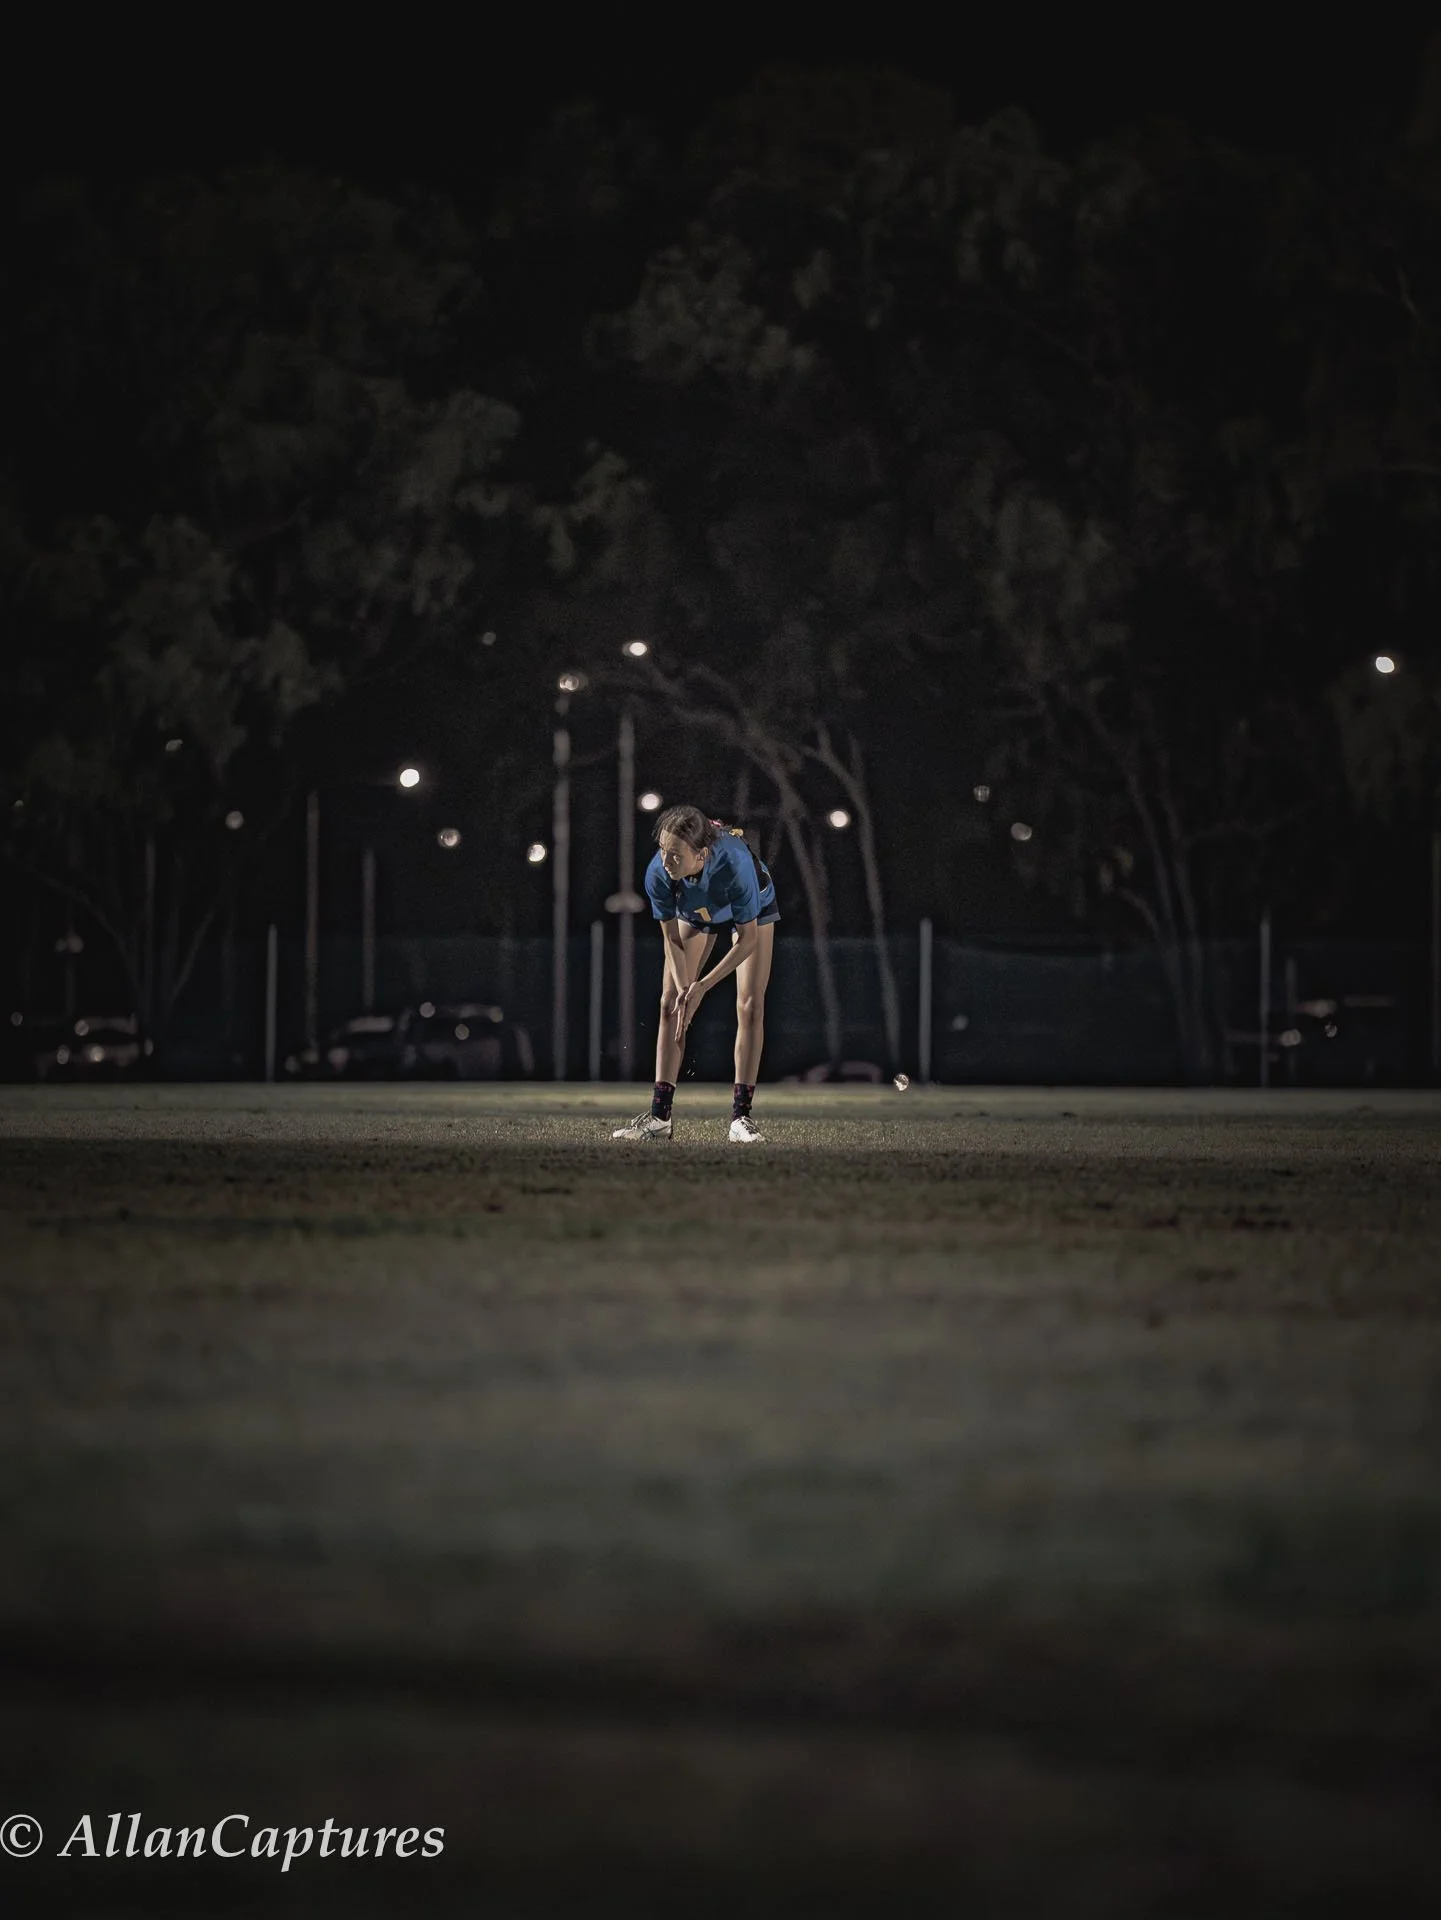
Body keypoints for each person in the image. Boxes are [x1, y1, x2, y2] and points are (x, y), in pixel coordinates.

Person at [612, 804, 779, 1144]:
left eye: (674, 854)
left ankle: (740, 1119)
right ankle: (660, 1117)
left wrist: (702, 986)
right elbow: (671, 938)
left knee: (749, 1006)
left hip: (748, 912)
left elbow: (746, 942)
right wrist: (685, 989)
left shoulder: (735, 866)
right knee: (670, 1003)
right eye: (662, 850)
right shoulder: (658, 873)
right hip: (698, 912)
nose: (665, 860)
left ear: (700, 854)